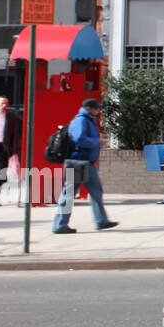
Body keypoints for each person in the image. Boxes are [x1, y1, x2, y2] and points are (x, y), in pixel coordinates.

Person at [52, 98, 117, 234]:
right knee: (69, 194)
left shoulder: (88, 121)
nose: (98, 110)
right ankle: (59, 224)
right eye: (96, 108)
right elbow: (79, 139)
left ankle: (101, 221)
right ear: (89, 108)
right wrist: (97, 142)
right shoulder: (80, 120)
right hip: (77, 162)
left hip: (87, 163)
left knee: (96, 192)